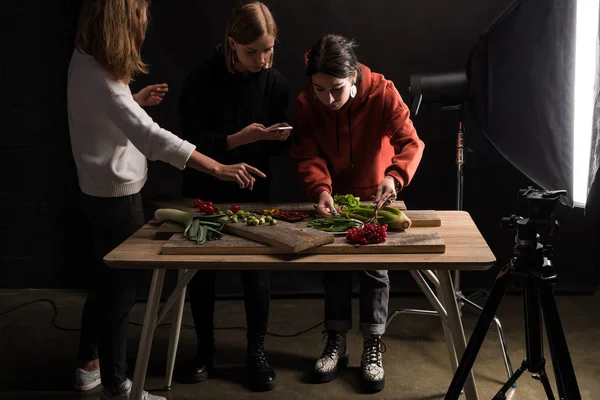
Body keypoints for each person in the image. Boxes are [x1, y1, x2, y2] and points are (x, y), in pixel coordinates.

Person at [67, 1, 265, 399]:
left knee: (105, 283)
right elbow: (153, 138)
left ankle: (89, 365)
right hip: (116, 197)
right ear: (120, 21)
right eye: (139, 13)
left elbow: (104, 113)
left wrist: (132, 101)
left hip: (97, 190)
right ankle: (119, 386)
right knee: (121, 293)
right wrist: (218, 168)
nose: (144, 21)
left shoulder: (85, 58)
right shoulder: (102, 76)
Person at [290, 34, 425, 393]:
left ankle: (373, 344)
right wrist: (319, 188)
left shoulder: (382, 92)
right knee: (332, 271)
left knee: (374, 273)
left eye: (335, 89)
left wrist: (394, 178)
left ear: (353, 77)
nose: (327, 100)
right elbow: (306, 154)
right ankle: (335, 340)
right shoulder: (308, 103)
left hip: (374, 197)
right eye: (319, 89)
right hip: (331, 200)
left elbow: (410, 142)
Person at [177, 1, 290, 392]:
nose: (261, 59)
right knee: (202, 277)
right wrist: (240, 139)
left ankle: (256, 352)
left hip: (255, 192)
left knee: (256, 276)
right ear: (231, 44)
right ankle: (204, 351)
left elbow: (278, 151)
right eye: (252, 51)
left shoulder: (275, 81)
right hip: (205, 189)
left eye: (268, 50)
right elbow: (188, 143)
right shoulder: (202, 78)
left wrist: (278, 138)